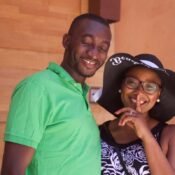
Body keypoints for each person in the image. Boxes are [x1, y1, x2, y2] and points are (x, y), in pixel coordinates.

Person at [1, 13, 112, 175]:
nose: (94, 54)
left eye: (102, 48)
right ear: (66, 41)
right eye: (86, 42)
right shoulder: (37, 88)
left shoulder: (81, 94)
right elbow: (12, 171)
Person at [97, 53, 175, 175]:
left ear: (158, 95)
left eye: (150, 87)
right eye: (132, 82)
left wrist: (146, 136)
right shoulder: (98, 134)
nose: (139, 93)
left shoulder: (170, 135)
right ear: (121, 86)